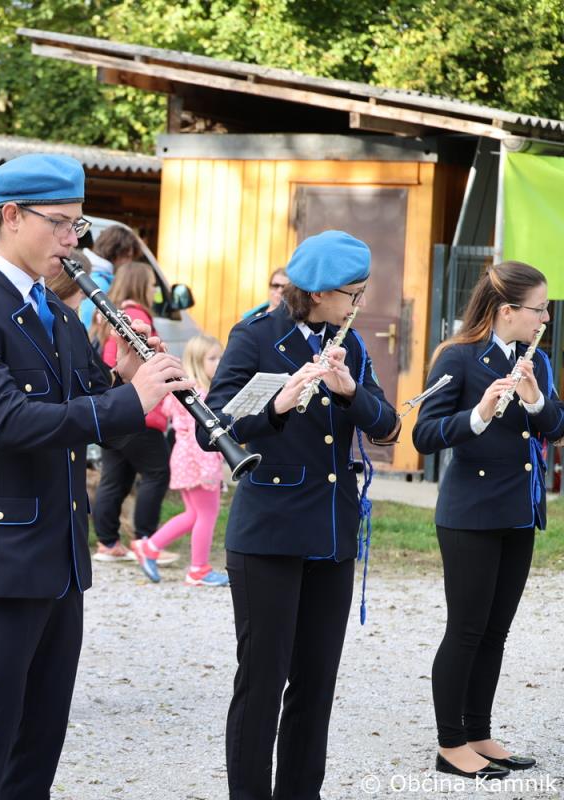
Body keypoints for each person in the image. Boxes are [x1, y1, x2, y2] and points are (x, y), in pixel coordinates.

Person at [0, 153, 190, 799]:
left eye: (78, 225)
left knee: (40, 739)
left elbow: (95, 409)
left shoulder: (55, 311)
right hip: (1, 559)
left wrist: (133, 379)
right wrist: (128, 399)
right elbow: (7, 422)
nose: (73, 241)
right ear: (12, 217)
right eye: (61, 223)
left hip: (59, 557)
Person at [203, 230, 398, 800]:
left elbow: (388, 427)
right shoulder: (256, 335)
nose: (359, 303)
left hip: (331, 533)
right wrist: (278, 404)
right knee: (261, 684)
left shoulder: (350, 344)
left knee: (315, 686)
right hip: (268, 533)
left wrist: (349, 391)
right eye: (353, 294)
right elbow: (213, 423)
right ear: (317, 294)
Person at [412, 261, 563, 780]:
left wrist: (535, 400)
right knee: (467, 629)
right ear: (507, 311)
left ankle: (478, 732)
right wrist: (478, 414)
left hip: (518, 513)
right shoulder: (457, 357)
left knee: (496, 632)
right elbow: (425, 435)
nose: (545, 318)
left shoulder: (536, 361)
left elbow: (557, 426)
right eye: (539, 309)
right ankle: (450, 743)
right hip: (470, 515)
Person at [90, 261, 175, 563]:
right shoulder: (138, 317)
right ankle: (146, 541)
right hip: (140, 410)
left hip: (116, 405)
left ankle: (107, 542)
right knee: (157, 472)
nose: (153, 291)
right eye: (151, 285)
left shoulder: (111, 315)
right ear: (141, 286)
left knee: (116, 477)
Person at [131, 333, 229, 586]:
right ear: (197, 361)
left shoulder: (187, 390)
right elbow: (201, 434)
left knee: (194, 514)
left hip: (185, 459)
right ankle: (198, 569)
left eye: (220, 357)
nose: (219, 362)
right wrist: (209, 468)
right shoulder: (201, 395)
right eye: (212, 358)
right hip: (199, 459)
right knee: (207, 514)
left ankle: (150, 547)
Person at [77, 224, 138, 328]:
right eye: (128, 256)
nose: (129, 262)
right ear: (115, 251)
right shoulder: (100, 282)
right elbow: (88, 326)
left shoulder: (93, 274)